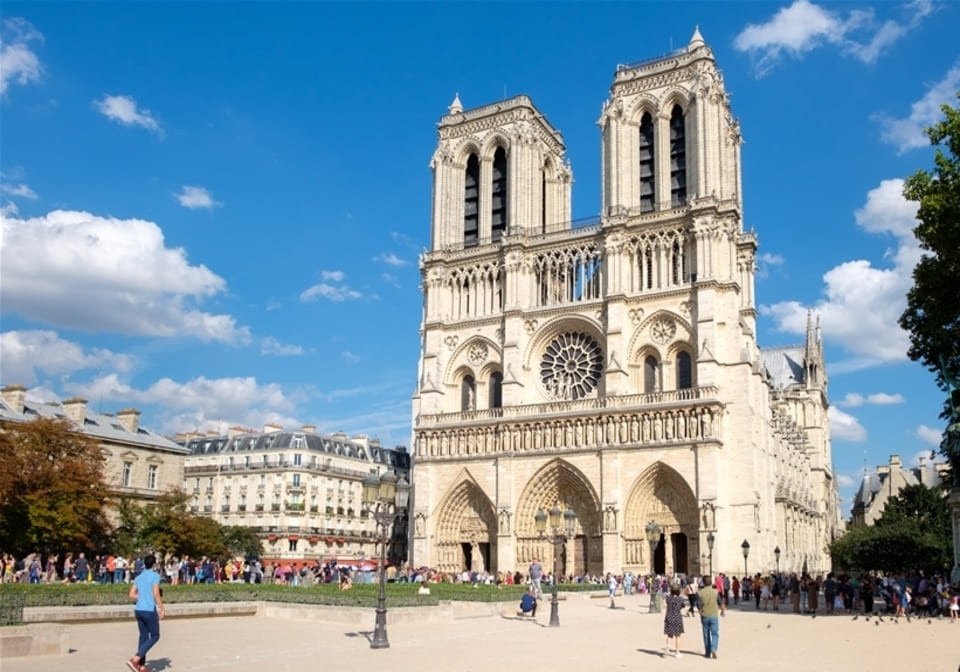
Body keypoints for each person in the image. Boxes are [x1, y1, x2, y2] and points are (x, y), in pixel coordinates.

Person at [127, 554, 164, 672]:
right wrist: (162, 608)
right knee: (155, 635)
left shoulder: (139, 577)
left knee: (143, 636)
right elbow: (156, 593)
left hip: (139, 609)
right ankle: (135, 659)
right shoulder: (155, 576)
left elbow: (131, 595)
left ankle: (141, 666)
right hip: (149, 609)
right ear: (154, 564)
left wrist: (142, 597)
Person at [697, 574, 725, 659]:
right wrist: (723, 611)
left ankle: (707, 652)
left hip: (705, 615)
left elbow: (699, 606)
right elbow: (720, 603)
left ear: (703, 583)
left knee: (706, 634)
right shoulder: (715, 592)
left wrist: (701, 614)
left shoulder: (699, 593)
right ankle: (714, 648)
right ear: (711, 582)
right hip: (714, 615)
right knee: (715, 634)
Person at [663, 583, 685, 658]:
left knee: (669, 635)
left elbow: (665, 601)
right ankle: (677, 652)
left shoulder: (668, 598)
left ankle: (667, 647)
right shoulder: (680, 599)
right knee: (678, 636)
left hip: (669, 617)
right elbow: (683, 606)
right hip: (677, 617)